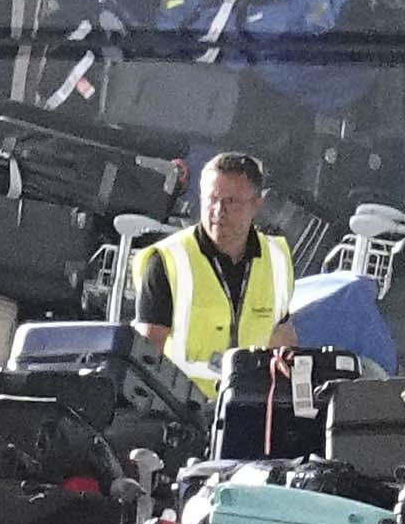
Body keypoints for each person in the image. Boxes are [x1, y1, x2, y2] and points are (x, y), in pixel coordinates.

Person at [128, 152, 310, 459]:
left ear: (257, 205)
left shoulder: (277, 259)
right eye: (211, 199)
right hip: (182, 418)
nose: (217, 211)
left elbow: (281, 336)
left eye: (231, 202)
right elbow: (146, 354)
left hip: (250, 413)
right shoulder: (169, 261)